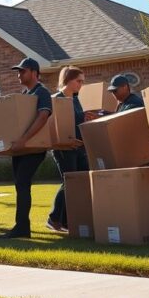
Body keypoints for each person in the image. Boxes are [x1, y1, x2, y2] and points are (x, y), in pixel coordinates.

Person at [2, 57, 53, 239]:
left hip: (33, 149)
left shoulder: (42, 92)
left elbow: (43, 116)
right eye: (18, 71)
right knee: (20, 186)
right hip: (21, 148)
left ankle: (22, 227)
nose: (19, 74)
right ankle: (22, 226)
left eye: (22, 71)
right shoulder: (25, 95)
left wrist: (24, 139)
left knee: (23, 184)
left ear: (34, 72)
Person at [46, 66, 90, 232]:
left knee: (81, 180)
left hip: (79, 147)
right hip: (64, 149)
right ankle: (54, 218)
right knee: (69, 182)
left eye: (82, 82)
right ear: (67, 80)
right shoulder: (56, 99)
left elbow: (76, 120)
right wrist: (63, 143)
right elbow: (51, 127)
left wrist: (87, 117)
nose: (81, 84)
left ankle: (65, 221)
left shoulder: (75, 99)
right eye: (78, 81)